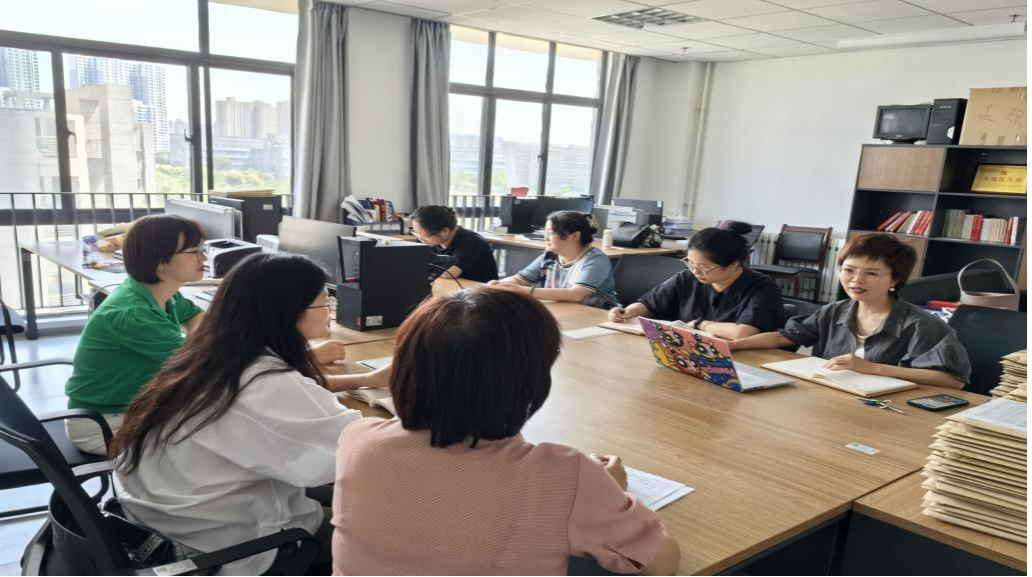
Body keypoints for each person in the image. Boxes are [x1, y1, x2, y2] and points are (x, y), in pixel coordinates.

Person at [332, 287, 681, 575]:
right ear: (530, 379)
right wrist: (607, 491)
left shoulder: (358, 439)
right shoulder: (565, 476)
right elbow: (660, 564)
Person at [110, 253, 388, 576]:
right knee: (391, 529)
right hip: (224, 548)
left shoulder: (212, 357)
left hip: (164, 521)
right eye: (325, 301)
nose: (330, 311)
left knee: (354, 498)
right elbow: (359, 455)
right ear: (289, 313)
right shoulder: (265, 383)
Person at [728, 233, 971, 389]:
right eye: (849, 270)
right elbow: (784, 337)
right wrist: (732, 346)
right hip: (831, 397)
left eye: (871, 273)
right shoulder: (834, 311)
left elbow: (952, 380)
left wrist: (873, 368)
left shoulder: (923, 325)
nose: (856, 280)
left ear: (895, 279)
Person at [64, 215, 207, 455]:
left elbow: (197, 316)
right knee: (220, 438)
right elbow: (196, 365)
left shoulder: (159, 293)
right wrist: (200, 344)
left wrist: (197, 342)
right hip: (104, 425)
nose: (204, 258)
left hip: (132, 411)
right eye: (194, 251)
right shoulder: (133, 313)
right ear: (159, 261)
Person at [608, 221, 784, 339]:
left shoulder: (762, 288)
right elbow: (649, 304)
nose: (695, 271)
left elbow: (744, 332)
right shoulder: (687, 278)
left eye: (704, 267)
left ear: (733, 264)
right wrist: (627, 312)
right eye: (690, 263)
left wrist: (701, 324)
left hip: (743, 358)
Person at [489, 211, 618, 309]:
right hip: (562, 310)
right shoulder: (550, 255)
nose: (545, 238)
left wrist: (522, 290)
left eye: (550, 233)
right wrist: (497, 286)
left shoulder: (595, 259)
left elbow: (576, 295)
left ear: (575, 236)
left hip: (597, 316)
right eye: (544, 233)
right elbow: (519, 280)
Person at [410, 205, 498, 283]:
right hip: (453, 285)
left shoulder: (472, 241)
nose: (420, 238)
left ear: (445, 231)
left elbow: (449, 273)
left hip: (481, 290)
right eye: (416, 233)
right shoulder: (427, 240)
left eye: (424, 235)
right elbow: (414, 264)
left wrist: (423, 266)